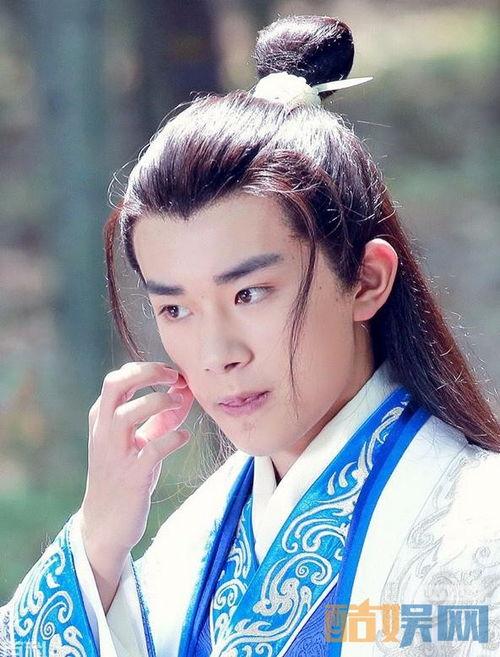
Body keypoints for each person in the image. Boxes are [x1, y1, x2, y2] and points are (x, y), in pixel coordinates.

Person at [1, 13, 499, 657]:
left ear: (367, 280)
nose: (217, 356)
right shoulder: (192, 548)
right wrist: (97, 542)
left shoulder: (474, 531)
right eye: (175, 309)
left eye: (250, 294)